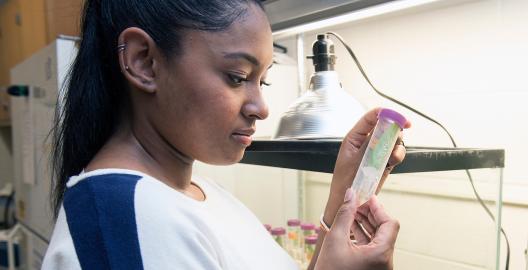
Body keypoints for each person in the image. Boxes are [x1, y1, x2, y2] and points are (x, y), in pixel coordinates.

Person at [41, 0, 410, 269]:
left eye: (261, 80)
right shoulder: (126, 217)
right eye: (237, 77)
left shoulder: (200, 195)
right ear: (144, 62)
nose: (261, 107)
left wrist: (343, 198)